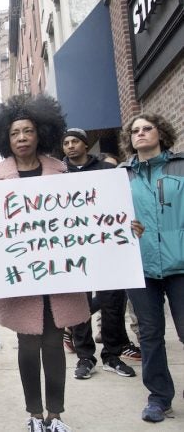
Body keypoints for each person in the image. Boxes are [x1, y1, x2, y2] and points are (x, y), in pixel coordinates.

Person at [0, 94, 89, 432]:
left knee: (55, 344)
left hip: (57, 275)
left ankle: (55, 415)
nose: (22, 138)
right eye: (15, 133)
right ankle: (33, 414)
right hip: (20, 276)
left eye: (28, 131)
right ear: (5, 138)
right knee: (28, 344)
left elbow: (82, 218)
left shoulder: (60, 170)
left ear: (40, 133)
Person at [119, 113, 183, 423]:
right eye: (135, 131)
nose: (141, 134)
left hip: (181, 263)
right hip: (139, 266)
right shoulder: (119, 176)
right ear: (129, 138)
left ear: (161, 133)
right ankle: (159, 397)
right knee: (150, 334)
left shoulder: (181, 166)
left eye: (147, 128)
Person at [61, 128, 139, 380]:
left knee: (112, 301)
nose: (70, 146)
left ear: (85, 145)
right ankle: (85, 357)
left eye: (75, 141)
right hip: (74, 247)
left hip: (106, 246)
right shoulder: (58, 175)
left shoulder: (106, 170)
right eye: (66, 143)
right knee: (78, 303)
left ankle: (112, 355)